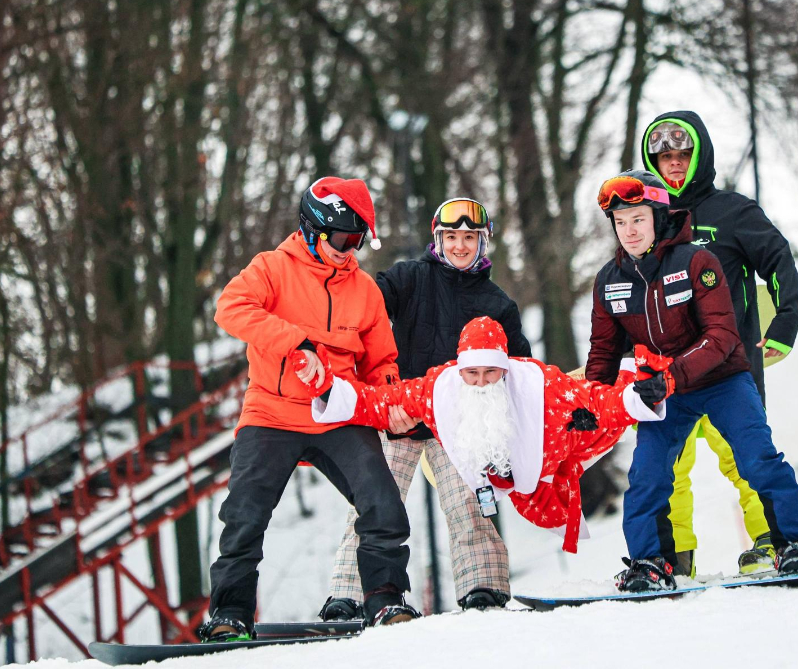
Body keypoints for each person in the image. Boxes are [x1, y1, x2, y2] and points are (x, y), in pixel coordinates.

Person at [199, 177, 420, 641]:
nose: (349, 249)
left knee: (382, 504)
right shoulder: (272, 268)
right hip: (271, 413)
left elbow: (381, 363)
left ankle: (385, 599)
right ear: (312, 228)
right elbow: (230, 308)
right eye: (342, 238)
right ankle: (230, 615)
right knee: (244, 514)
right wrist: (295, 343)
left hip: (337, 414)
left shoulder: (364, 290)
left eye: (358, 240)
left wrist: (392, 405)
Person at [585, 170, 798, 592]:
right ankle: (649, 563)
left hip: (723, 380)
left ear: (659, 218)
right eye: (620, 223)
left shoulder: (697, 261)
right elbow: (603, 354)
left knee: (756, 459)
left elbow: (722, 336)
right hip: (665, 394)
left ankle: (797, 542)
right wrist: (590, 405)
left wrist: (670, 377)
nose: (629, 231)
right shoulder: (609, 281)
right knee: (648, 475)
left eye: (638, 219)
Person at [323, 198, 532, 619]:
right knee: (373, 504)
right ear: (438, 239)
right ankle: (349, 595)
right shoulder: (409, 277)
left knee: (469, 503)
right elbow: (365, 311)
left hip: (458, 423)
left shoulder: (497, 303)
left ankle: (483, 589)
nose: (459, 246)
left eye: (468, 238)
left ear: (482, 242)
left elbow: (521, 370)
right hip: (399, 412)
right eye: (451, 237)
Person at [310, 317, 671, 554]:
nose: (481, 382)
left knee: (605, 420)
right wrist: (329, 390)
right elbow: (380, 400)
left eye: (490, 372)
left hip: (559, 442)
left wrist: (638, 396)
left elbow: (596, 401)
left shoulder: (539, 384)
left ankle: (650, 371)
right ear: (460, 369)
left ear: (505, 368)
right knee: (534, 509)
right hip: (507, 477)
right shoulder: (439, 387)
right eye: (473, 374)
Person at [640, 111, 798, 575]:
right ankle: (673, 561)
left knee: (747, 457)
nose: (673, 164)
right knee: (666, 470)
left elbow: (778, 260)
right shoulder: (643, 222)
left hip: (728, 365)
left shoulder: (733, 211)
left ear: (700, 157)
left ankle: (774, 543)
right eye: (664, 157)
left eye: (682, 154)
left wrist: (786, 323)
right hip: (665, 373)